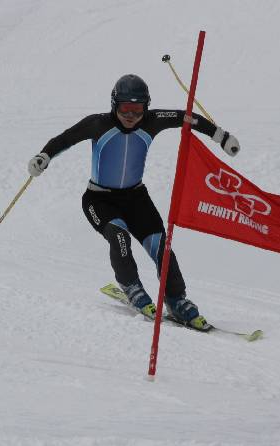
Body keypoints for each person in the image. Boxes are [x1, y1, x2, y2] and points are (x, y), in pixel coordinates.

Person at [27, 74, 241, 330]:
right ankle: (131, 286)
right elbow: (65, 139)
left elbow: (187, 117)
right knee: (119, 237)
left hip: (136, 198)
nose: (131, 115)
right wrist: (44, 156)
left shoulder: (153, 121)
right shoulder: (97, 124)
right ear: (114, 105)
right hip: (99, 199)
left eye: (137, 109)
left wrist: (220, 136)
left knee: (161, 246)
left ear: (146, 107)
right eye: (125, 108)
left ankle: (176, 299)